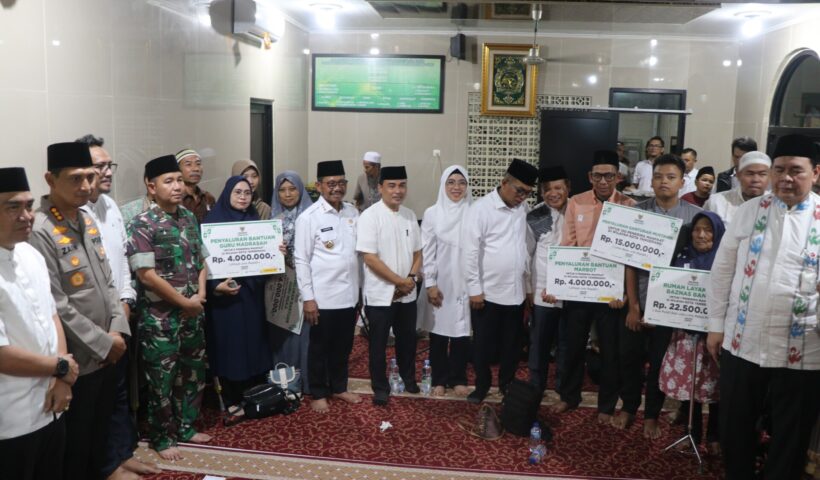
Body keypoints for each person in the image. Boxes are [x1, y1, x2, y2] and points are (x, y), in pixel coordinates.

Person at [707, 134, 820, 480]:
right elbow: (722, 270)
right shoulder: (749, 212)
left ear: (815, 173)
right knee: (735, 425)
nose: (786, 178)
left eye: (796, 170)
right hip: (744, 339)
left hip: (804, 349)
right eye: (779, 169)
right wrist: (715, 325)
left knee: (791, 433)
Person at [29, 142, 130, 479]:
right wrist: (104, 343)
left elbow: (108, 281)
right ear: (50, 179)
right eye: (75, 178)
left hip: (109, 349)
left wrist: (117, 330)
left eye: (89, 177)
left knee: (99, 439)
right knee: (76, 448)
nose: (86, 186)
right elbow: (57, 304)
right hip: (79, 360)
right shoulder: (41, 230)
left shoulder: (86, 219)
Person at [76, 134, 159, 480]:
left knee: (119, 391)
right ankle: (106, 464)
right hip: (92, 323)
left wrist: (126, 303)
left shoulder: (110, 206)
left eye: (110, 165)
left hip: (119, 315)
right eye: (100, 166)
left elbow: (123, 260)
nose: (107, 172)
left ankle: (124, 454)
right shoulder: (74, 213)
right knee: (96, 399)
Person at [126, 155, 210, 461]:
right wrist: (185, 302)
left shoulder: (188, 217)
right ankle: (162, 437)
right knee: (161, 381)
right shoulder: (142, 223)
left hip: (192, 314)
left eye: (179, 180)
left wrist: (200, 296)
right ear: (151, 187)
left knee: (192, 373)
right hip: (160, 320)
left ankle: (186, 427)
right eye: (169, 181)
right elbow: (146, 275)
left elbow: (202, 260)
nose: (177, 187)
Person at [614, 154, 702, 439]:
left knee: (659, 362)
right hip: (638, 299)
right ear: (651, 180)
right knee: (629, 358)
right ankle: (629, 406)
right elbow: (628, 262)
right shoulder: (637, 212)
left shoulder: (693, 217)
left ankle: (652, 414)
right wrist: (634, 307)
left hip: (670, 306)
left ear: (682, 181)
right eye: (659, 176)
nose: (664, 182)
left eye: (671, 177)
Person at [0, 167, 79, 480]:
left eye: (29, 205)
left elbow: (52, 316)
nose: (26, 216)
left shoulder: (30, 255)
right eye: (13, 207)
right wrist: (61, 367)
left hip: (51, 405)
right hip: (10, 419)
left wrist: (62, 378)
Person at [548, 150, 635, 423]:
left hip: (612, 294)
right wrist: (559, 283)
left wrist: (624, 293)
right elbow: (568, 244)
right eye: (598, 176)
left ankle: (606, 406)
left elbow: (631, 255)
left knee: (610, 351)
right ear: (590, 176)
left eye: (609, 176)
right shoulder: (576, 202)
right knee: (573, 347)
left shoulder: (630, 206)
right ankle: (569, 396)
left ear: (618, 177)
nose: (603, 181)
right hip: (580, 288)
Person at [463, 158, 537, 404]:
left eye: (528, 193)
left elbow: (525, 250)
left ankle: (506, 385)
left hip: (515, 293)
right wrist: (475, 289)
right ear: (505, 183)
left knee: (512, 347)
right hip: (488, 293)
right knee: (483, 346)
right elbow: (470, 252)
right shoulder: (481, 209)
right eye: (519, 191)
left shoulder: (523, 209)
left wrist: (528, 287)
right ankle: (482, 386)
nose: (522, 197)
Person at [295, 160, 362, 412]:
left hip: (349, 295)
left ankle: (339, 386)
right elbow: (301, 260)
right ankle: (318, 392)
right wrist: (308, 298)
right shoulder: (309, 217)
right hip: (322, 297)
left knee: (343, 346)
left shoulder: (352, 213)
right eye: (331, 183)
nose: (337, 188)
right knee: (319, 347)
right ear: (319, 186)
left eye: (341, 183)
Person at [203, 176, 273, 419]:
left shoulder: (255, 221)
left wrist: (275, 252)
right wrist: (215, 287)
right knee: (230, 346)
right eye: (237, 192)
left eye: (247, 193)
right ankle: (231, 396)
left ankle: (253, 394)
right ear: (227, 194)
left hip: (251, 296)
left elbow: (265, 260)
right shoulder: (212, 223)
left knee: (253, 342)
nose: (243, 197)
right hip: (225, 301)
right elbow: (203, 263)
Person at [658, 211, 725, 454]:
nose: (701, 234)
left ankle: (715, 436)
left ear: (718, 234)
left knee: (717, 388)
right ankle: (692, 433)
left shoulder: (725, 261)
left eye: (708, 230)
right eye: (697, 229)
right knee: (690, 386)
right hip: (686, 336)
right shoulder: (681, 257)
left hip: (715, 337)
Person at [356, 165, 422, 406]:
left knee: (408, 340)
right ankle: (380, 387)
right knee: (378, 344)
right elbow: (370, 258)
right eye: (392, 186)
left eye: (402, 185)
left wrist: (410, 279)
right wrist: (399, 281)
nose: (398, 191)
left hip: (407, 293)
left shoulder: (410, 215)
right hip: (380, 294)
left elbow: (418, 253)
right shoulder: (369, 216)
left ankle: (408, 378)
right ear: (380, 187)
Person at [418, 165, 473, 397]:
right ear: (443, 185)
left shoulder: (474, 212)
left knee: (462, 330)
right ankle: (439, 378)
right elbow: (427, 251)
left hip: (467, 280)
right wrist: (430, 283)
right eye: (451, 182)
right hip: (441, 280)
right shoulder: (433, 213)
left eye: (461, 182)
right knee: (439, 331)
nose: (456, 187)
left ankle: (458, 378)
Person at [267, 171, 314, 394]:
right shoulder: (270, 221)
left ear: (301, 190)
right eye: (282, 190)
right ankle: (284, 381)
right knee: (283, 332)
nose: (287, 194)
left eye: (292, 189)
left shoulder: (312, 216)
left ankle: (308, 381)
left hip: (307, 283)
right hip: (280, 286)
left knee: (306, 333)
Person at [527, 166, 569, 395]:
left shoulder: (578, 211)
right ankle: (536, 387)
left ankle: (563, 388)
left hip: (571, 292)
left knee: (566, 344)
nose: (553, 193)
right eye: (547, 190)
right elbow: (527, 254)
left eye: (558, 188)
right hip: (542, 291)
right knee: (539, 343)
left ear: (567, 188)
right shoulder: (535, 215)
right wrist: (529, 289)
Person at [704, 151, 770, 227]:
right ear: (738, 175)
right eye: (750, 174)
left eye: (762, 174)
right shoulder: (716, 203)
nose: (755, 179)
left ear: (770, 177)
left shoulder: (776, 206)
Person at [175, 148, 215, 223]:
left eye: (198, 164)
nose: (196, 169)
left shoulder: (208, 198)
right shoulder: (175, 198)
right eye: (188, 164)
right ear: (178, 169)